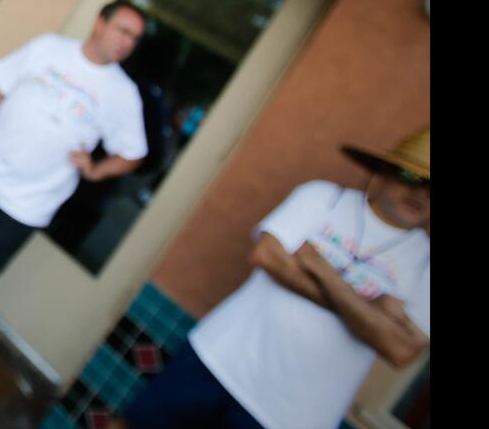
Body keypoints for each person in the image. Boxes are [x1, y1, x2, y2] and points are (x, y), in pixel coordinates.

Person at [0, 1, 148, 394]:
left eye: (134, 38)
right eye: (122, 30)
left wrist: (95, 169)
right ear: (99, 23)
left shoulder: (123, 95)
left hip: (28, 206)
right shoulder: (50, 49)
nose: (127, 42)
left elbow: (133, 153)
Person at [113, 128, 431, 429]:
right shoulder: (323, 198)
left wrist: (320, 269)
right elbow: (267, 257)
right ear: (384, 169)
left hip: (292, 415)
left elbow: (402, 350)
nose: (420, 193)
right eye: (411, 175)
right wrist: (373, 315)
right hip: (220, 359)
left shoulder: (425, 263)